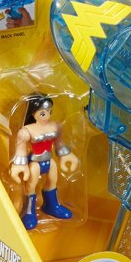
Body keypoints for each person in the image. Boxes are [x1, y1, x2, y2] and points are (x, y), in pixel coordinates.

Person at [10, 94, 79, 230]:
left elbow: (59, 143)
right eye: (42, 113)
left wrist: (67, 155)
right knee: (31, 186)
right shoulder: (26, 131)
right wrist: (19, 165)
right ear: (33, 113)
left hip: (49, 161)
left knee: (52, 182)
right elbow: (21, 149)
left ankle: (51, 205)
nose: (47, 116)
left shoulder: (54, 126)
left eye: (49, 112)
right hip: (35, 163)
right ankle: (28, 212)